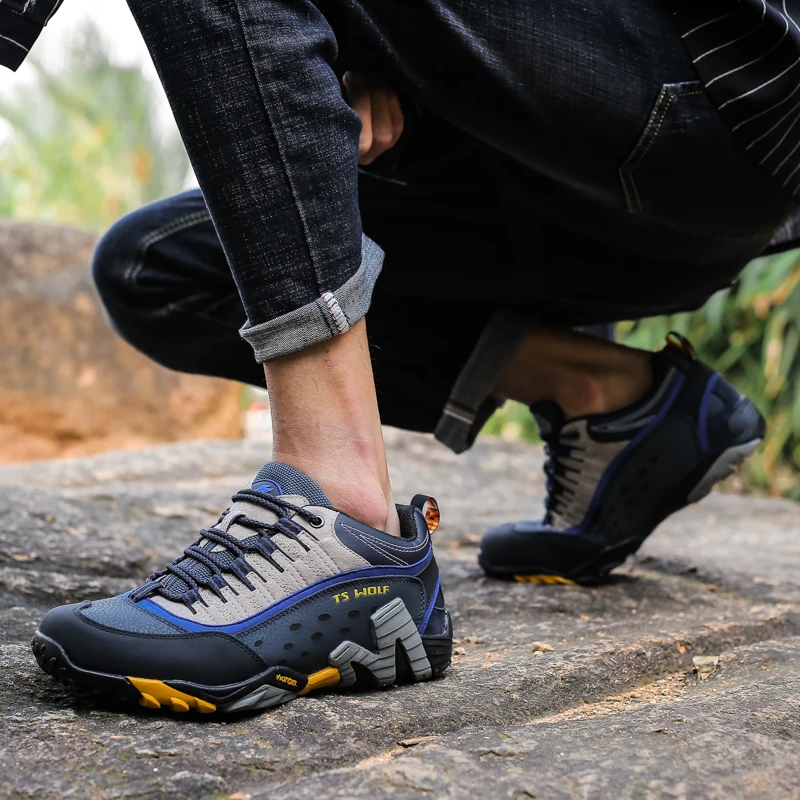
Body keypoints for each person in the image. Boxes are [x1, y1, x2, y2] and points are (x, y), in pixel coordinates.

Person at [6, 0, 799, 713]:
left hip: (713, 98)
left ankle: (339, 506)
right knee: (153, 269)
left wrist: (364, 34)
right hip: (541, 165)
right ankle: (608, 395)